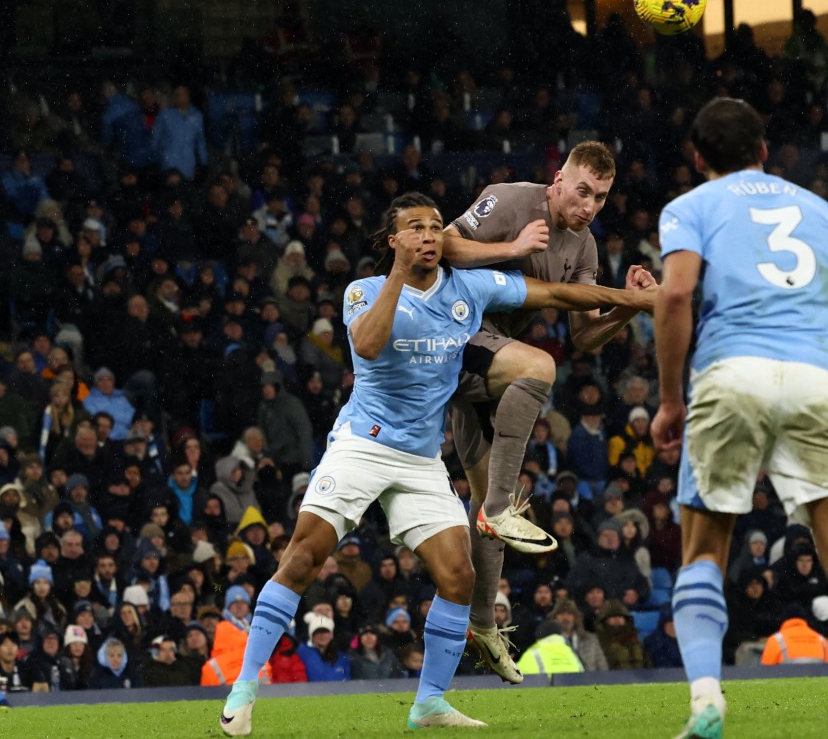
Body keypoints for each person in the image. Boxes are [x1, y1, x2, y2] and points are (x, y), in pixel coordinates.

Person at [219, 192, 653, 735]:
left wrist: (635, 301)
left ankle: (429, 704)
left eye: (433, 227)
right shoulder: (365, 291)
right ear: (393, 241)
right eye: (415, 229)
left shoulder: (469, 287)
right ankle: (244, 688)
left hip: (421, 457)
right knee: (304, 557)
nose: (428, 236)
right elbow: (370, 347)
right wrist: (398, 275)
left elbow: (559, 292)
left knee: (459, 574)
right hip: (363, 444)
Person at [650, 98, 828, 739]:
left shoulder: (691, 206)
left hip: (732, 372)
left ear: (698, 158)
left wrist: (670, 399)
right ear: (764, 151)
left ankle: (706, 704)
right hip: (819, 379)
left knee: (703, 554)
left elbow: (675, 291)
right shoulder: (821, 209)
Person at [442, 140, 657, 683]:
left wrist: (623, 310)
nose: (588, 206)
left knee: (491, 514)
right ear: (557, 178)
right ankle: (495, 510)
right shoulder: (509, 200)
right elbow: (442, 246)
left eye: (601, 198)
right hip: (451, 334)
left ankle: (483, 624)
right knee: (539, 367)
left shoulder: (584, 247)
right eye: (582, 190)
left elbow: (584, 336)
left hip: (490, 360)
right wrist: (511, 246)